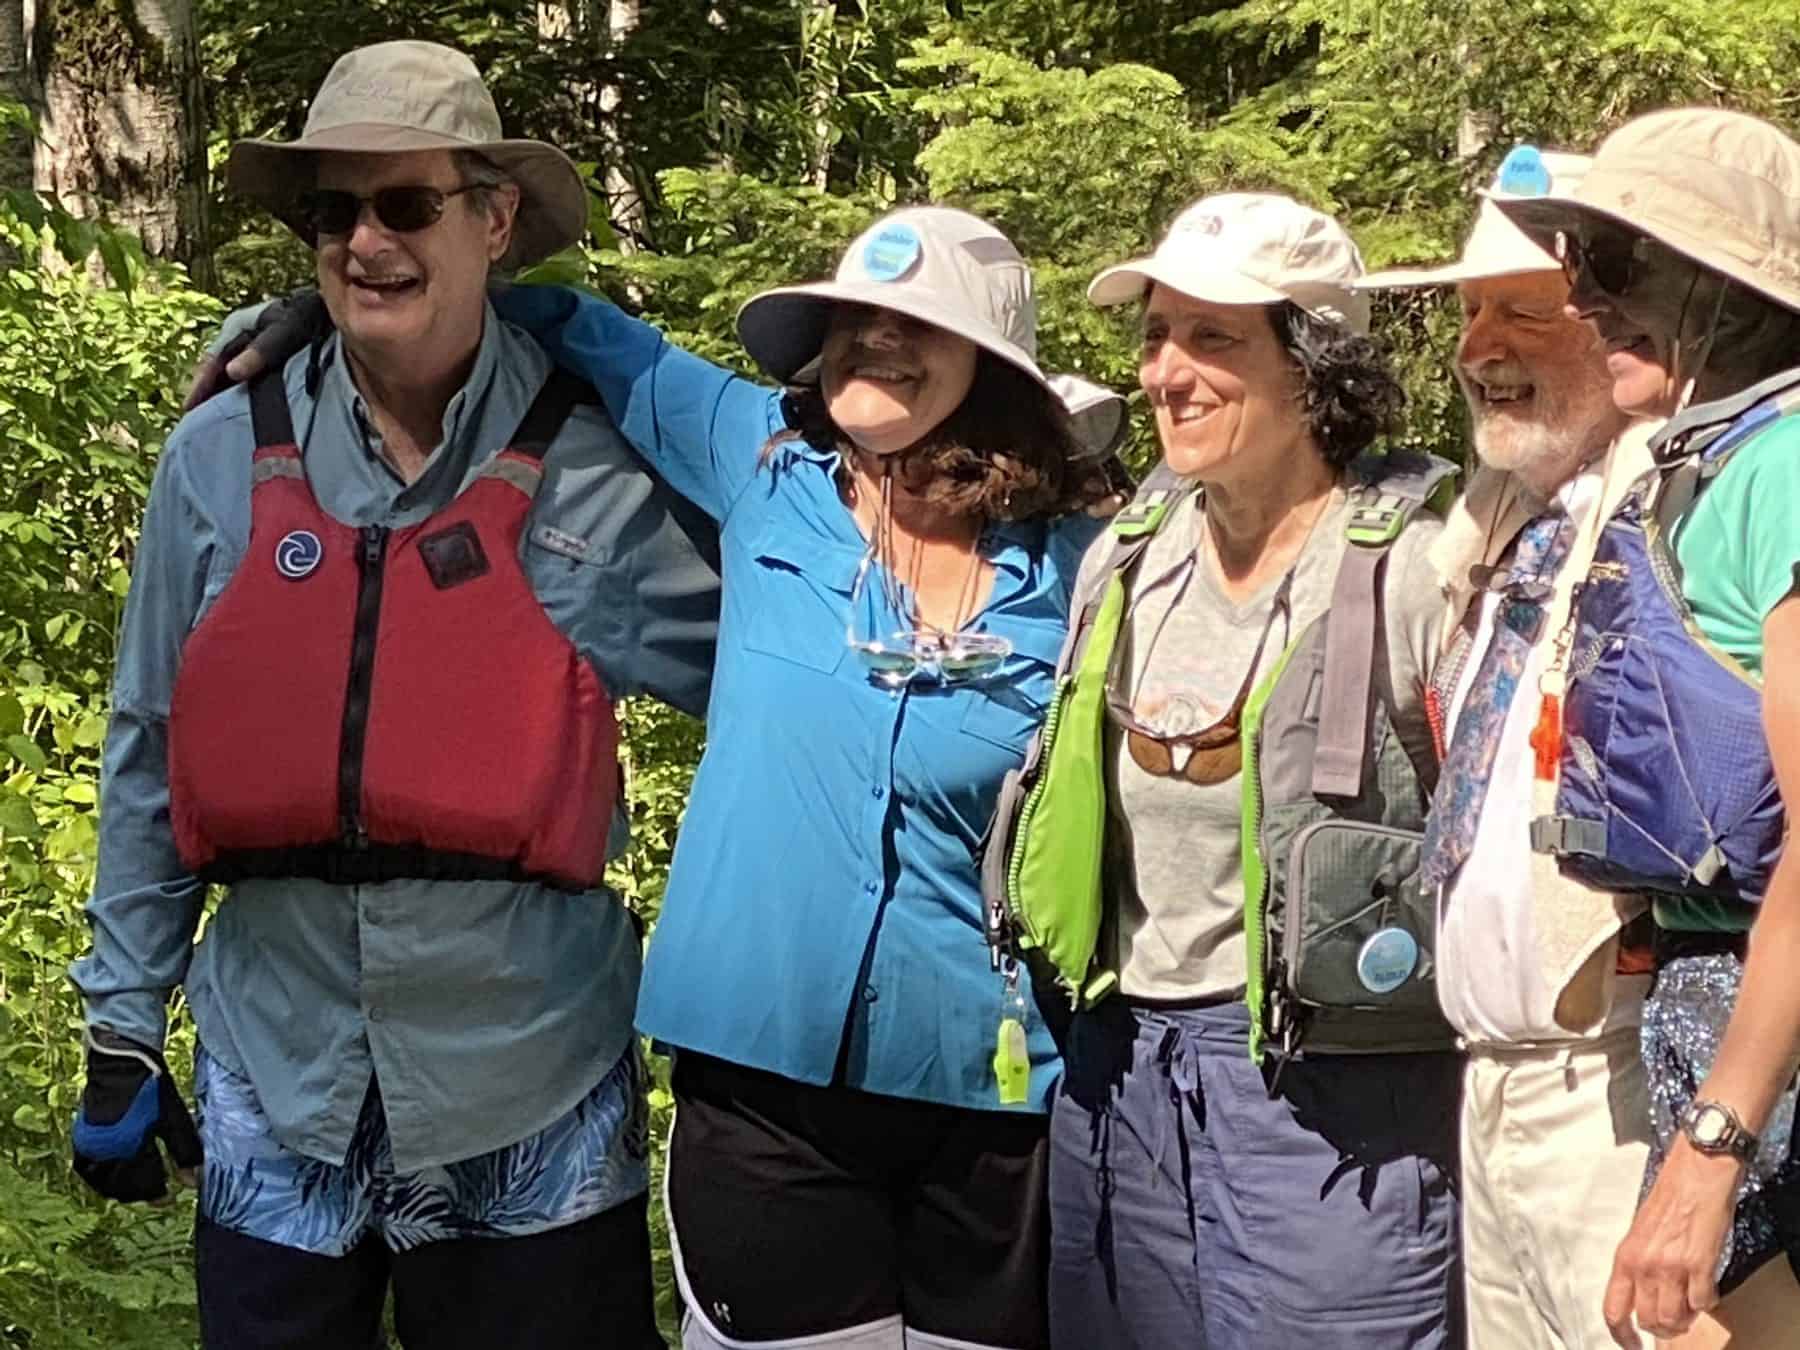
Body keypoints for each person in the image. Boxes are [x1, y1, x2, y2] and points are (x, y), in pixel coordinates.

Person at [68, 41, 719, 1348]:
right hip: (274, 1069)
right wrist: (122, 1021)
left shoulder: (591, 468)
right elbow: (151, 745)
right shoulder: (218, 454)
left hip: (529, 1082)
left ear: (492, 219)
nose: (366, 241)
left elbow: (784, 682)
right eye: (333, 210)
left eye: (405, 204)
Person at [488, 207, 1113, 1350]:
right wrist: (297, 325)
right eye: (851, 319)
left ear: (992, 366)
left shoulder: (1084, 575)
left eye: (914, 323)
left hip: (991, 1085)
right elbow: (564, 324)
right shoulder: (762, 465)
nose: (873, 340)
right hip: (765, 1077)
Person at [994, 192, 1464, 1348]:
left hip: (1337, 1103)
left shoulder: (1418, 567)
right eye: (1156, 336)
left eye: (1216, 339)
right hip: (1121, 1075)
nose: (1167, 372)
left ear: (1315, 368)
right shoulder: (1128, 557)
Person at [1491, 107, 1800, 1348]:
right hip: (1716, 1013)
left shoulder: (1781, 472)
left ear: (1732, 292)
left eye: (1617, 267)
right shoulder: (1716, 464)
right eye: (1575, 267)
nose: (1585, 303)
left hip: (1760, 1042)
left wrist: (1712, 1146)